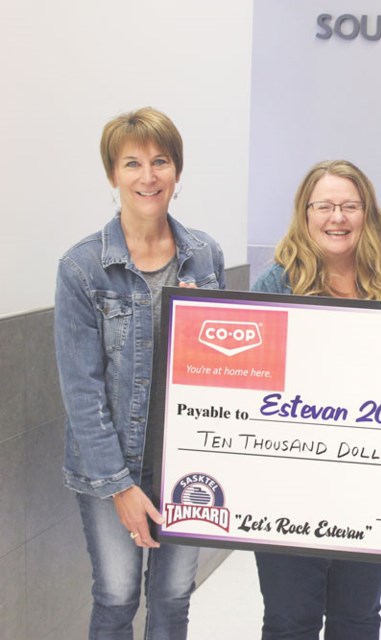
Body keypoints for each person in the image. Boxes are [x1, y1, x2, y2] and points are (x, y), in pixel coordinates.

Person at [55, 107, 226, 639]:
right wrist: (119, 486)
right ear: (113, 174)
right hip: (112, 471)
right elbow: (81, 390)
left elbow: (229, 373)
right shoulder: (82, 267)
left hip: (186, 468)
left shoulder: (205, 257)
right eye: (132, 163)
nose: (148, 177)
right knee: (116, 596)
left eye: (160, 161)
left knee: (174, 599)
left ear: (177, 171)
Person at [253, 159, 381, 639]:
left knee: (358, 618)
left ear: (367, 214)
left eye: (350, 206)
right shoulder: (275, 285)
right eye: (325, 206)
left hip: (368, 485)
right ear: (305, 214)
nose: (338, 217)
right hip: (287, 487)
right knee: (291, 620)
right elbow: (253, 385)